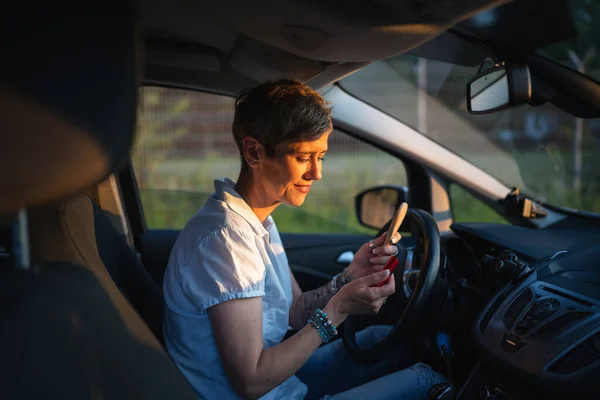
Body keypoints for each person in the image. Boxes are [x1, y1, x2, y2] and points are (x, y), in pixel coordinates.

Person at [163, 79, 446, 399]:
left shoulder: (255, 220)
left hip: (283, 384)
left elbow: (296, 311)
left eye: (320, 156)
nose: (317, 173)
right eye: (302, 158)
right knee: (429, 381)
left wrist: (349, 277)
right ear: (254, 152)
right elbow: (251, 381)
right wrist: (338, 310)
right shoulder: (226, 240)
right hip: (263, 390)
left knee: (386, 340)